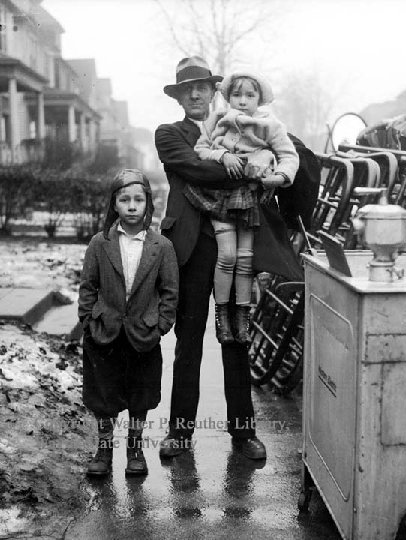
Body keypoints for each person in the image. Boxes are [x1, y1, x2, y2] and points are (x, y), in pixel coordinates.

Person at [155, 56, 305, 460]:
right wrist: (255, 165)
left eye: (202, 87)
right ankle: (180, 433)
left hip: (239, 243)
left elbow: (292, 154)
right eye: (188, 90)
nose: (196, 95)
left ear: (213, 90)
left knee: (236, 336)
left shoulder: (242, 121)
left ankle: (244, 434)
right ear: (179, 97)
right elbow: (196, 171)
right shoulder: (170, 134)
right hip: (191, 246)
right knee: (188, 343)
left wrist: (278, 164)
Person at [186, 69, 299, 344]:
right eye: (236, 95)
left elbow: (288, 155)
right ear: (227, 98)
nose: (242, 100)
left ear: (260, 98)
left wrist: (280, 176)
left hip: (249, 196)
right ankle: (222, 315)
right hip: (220, 194)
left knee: (246, 258)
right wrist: (222, 154)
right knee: (227, 256)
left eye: (250, 95)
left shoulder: (269, 124)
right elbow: (200, 149)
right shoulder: (217, 119)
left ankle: (242, 317)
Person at [79, 169, 179, 477]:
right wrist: (88, 321)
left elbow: (170, 291)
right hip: (104, 333)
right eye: (125, 200)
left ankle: (135, 448)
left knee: (141, 393)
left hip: (143, 334)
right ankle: (104, 448)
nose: (132, 206)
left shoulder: (161, 246)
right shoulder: (100, 243)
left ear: (148, 203)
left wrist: (160, 325)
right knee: (103, 395)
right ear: (115, 205)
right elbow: (88, 285)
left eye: (138, 200)